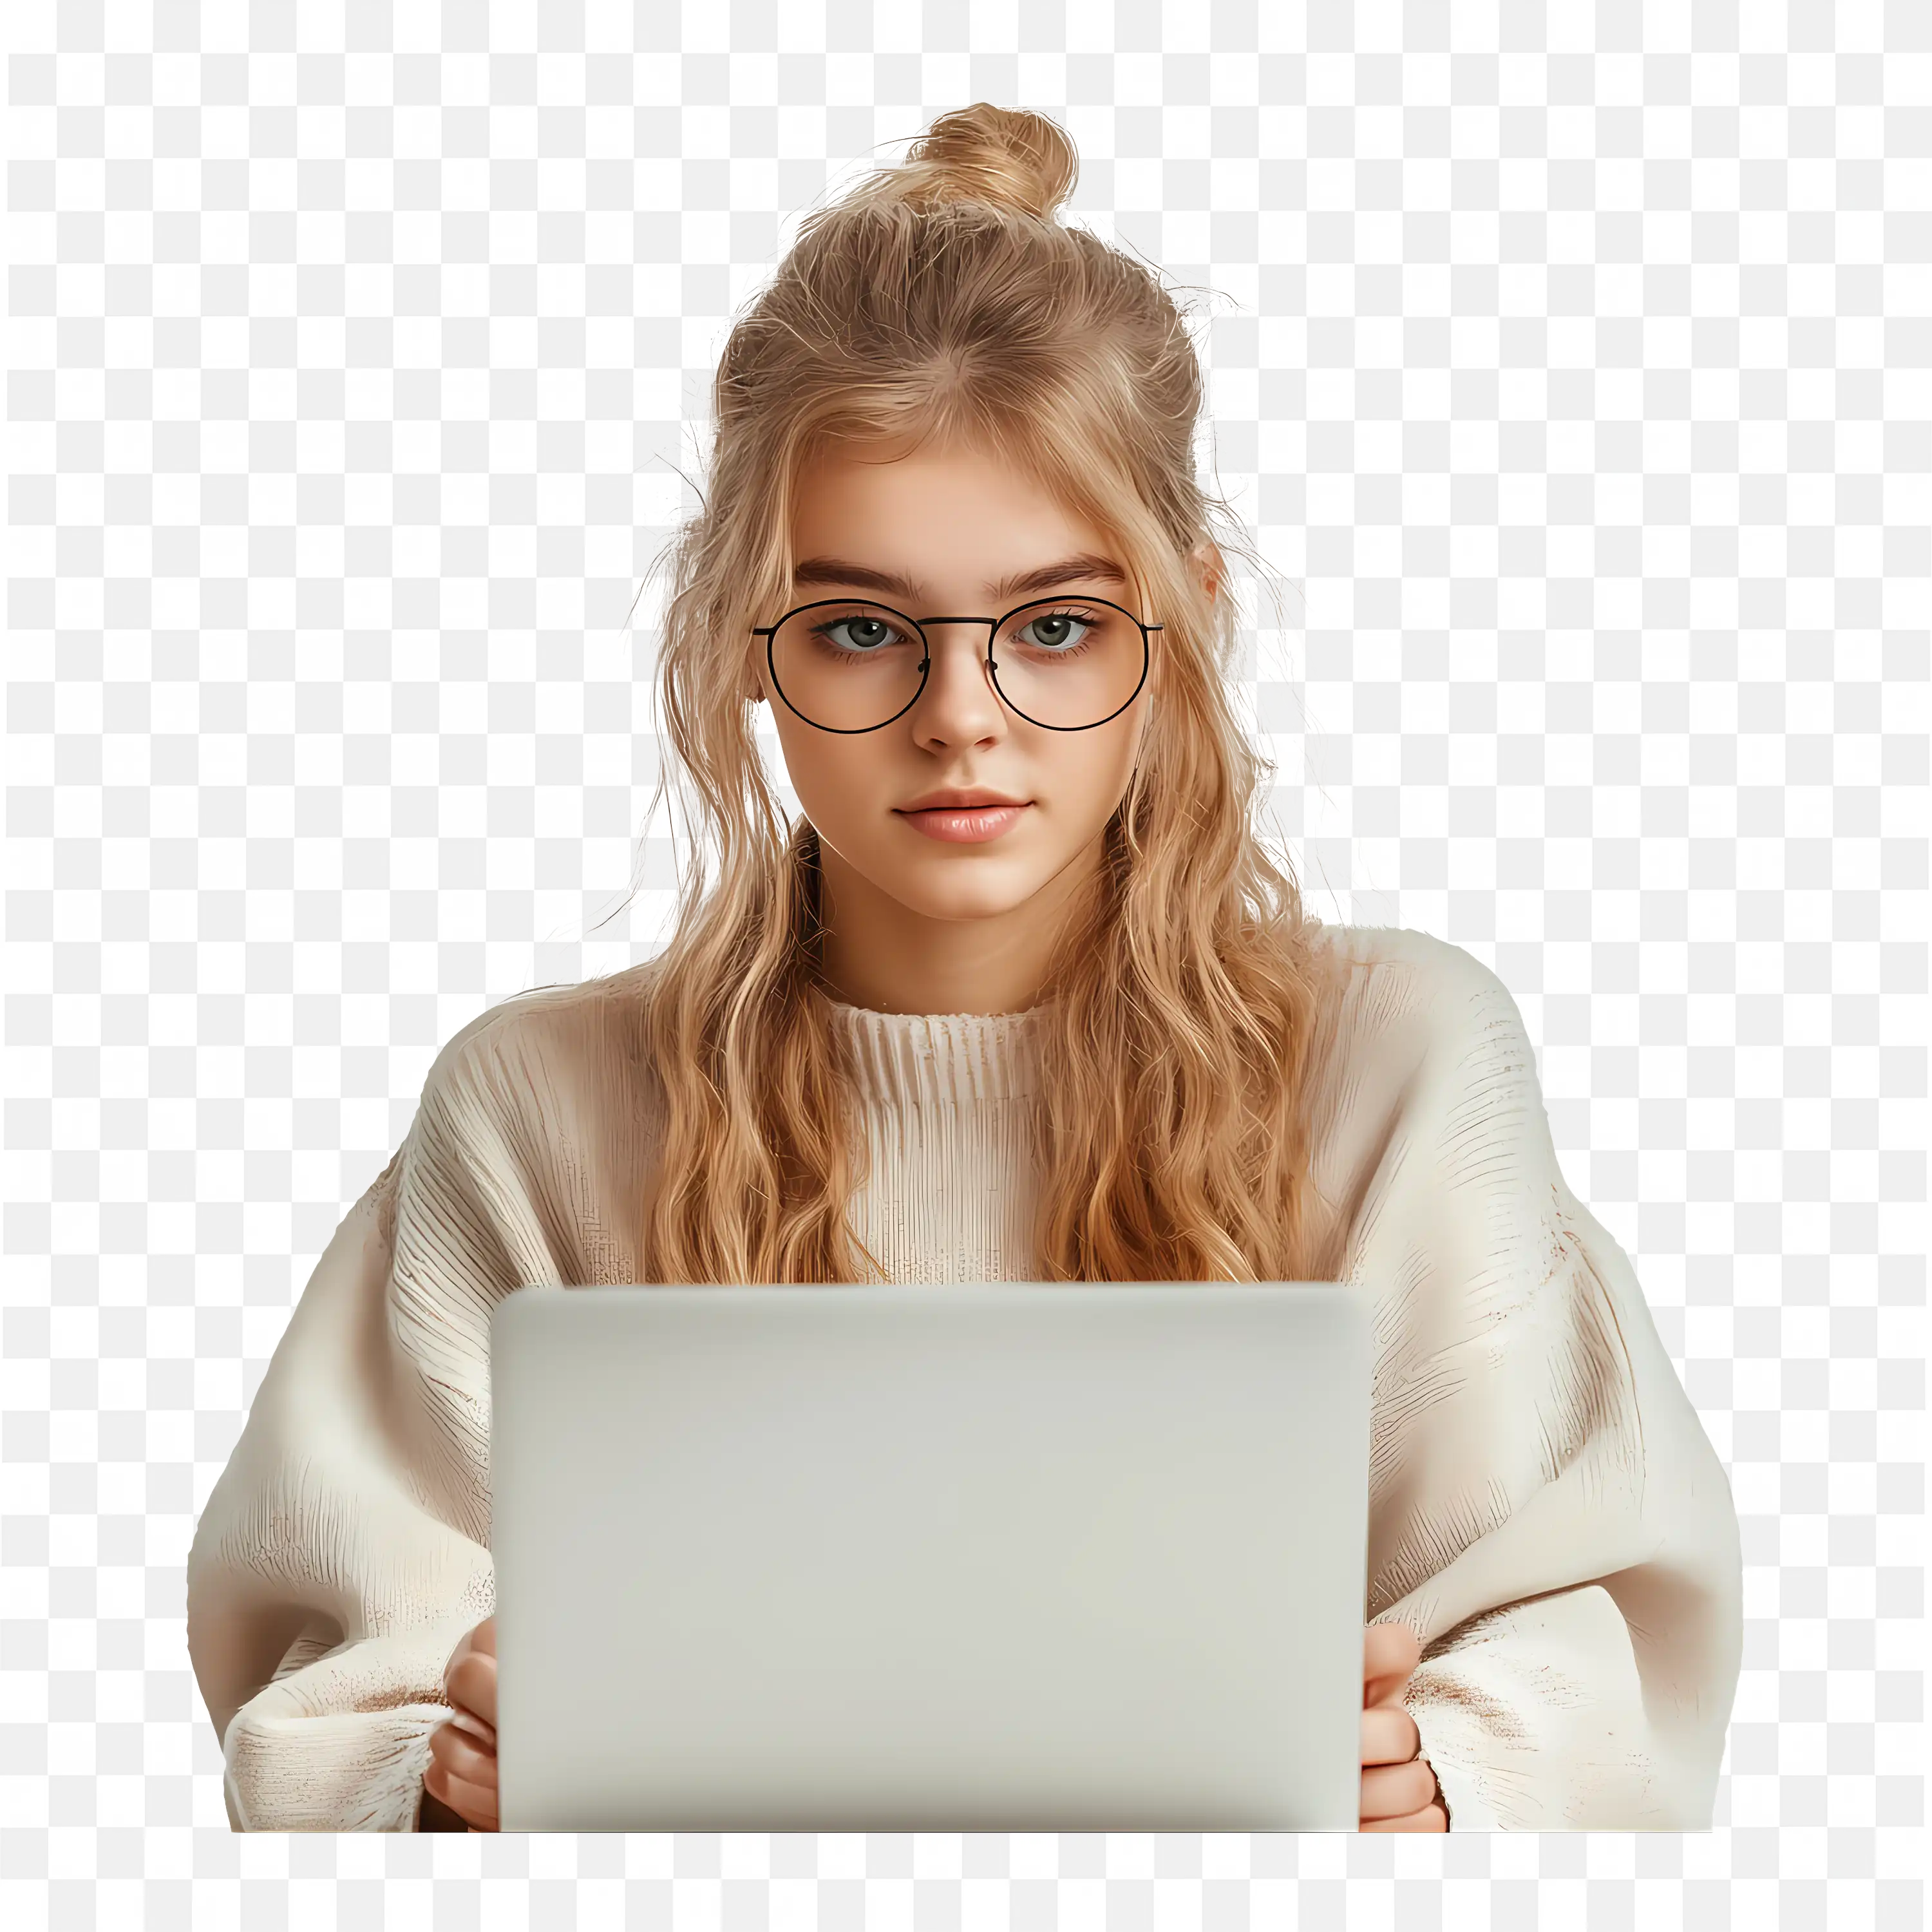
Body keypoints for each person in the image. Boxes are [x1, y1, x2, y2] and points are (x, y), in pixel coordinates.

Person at [184, 102, 1743, 1835]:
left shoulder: (1393, 1061)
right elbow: (333, 1665)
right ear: (744, 651)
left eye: (1057, 625)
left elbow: (1581, 1635)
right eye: (862, 628)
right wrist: (441, 1767)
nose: (962, 721)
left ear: (1187, 624)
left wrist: (1450, 1771)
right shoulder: (539, 1106)